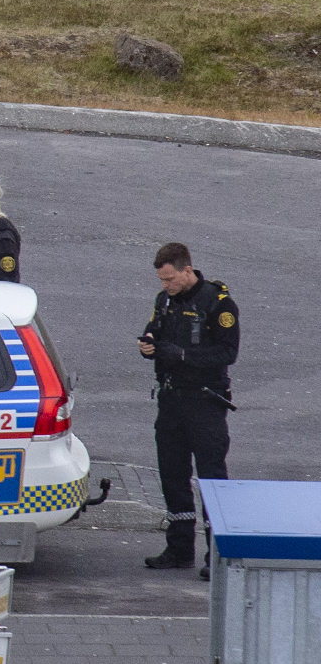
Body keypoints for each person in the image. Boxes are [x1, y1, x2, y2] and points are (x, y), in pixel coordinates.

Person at [138, 242, 239, 579]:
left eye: (169, 279)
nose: (165, 285)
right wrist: (148, 345)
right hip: (171, 400)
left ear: (186, 270)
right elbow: (156, 332)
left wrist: (180, 355)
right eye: (161, 280)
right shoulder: (164, 300)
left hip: (205, 401)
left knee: (212, 479)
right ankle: (180, 549)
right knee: (173, 474)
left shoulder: (218, 303)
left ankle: (218, 555)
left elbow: (227, 353)